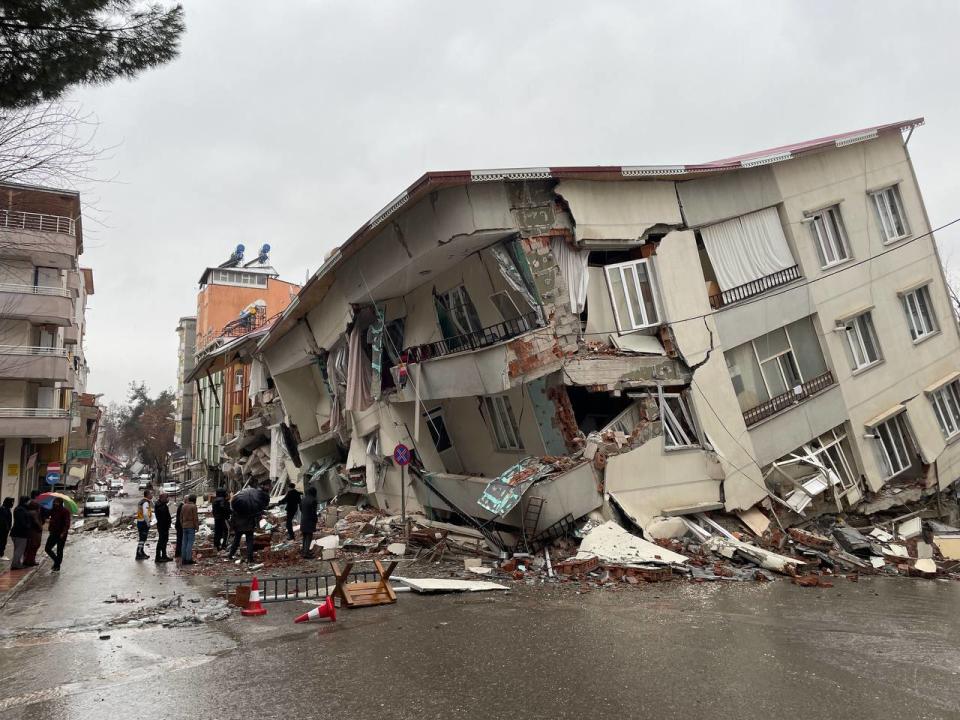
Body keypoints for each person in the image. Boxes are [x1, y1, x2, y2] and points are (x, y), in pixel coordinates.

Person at [228, 480, 271, 563]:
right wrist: (257, 525)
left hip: (239, 527)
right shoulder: (252, 506)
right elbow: (256, 515)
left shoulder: (238, 506)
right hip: (249, 526)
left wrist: (232, 527)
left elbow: (233, 518)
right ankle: (250, 558)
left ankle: (230, 555)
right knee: (249, 542)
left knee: (236, 541)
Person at [44, 497, 71, 571]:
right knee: (47, 548)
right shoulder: (53, 510)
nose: (56, 503)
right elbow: (47, 515)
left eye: (57, 502)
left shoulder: (65, 511)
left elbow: (67, 523)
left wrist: (63, 532)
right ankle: (57, 562)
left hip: (61, 533)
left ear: (61, 503)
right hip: (53, 532)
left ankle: (57, 566)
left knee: (59, 550)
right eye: (55, 502)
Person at [9, 496, 34, 569]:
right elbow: (22, 522)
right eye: (29, 501)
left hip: (17, 533)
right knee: (19, 550)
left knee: (17, 549)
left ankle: (17, 563)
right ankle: (15, 565)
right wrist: (28, 526)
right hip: (20, 533)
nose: (30, 502)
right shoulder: (21, 510)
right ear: (25, 501)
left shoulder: (20, 508)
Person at [22, 492, 43, 567]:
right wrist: (40, 527)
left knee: (29, 547)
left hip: (31, 532)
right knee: (33, 546)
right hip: (34, 532)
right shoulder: (34, 513)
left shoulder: (29, 512)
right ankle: (30, 561)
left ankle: (28, 560)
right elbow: (36, 522)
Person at [299, 487, 318, 559]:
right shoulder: (313, 500)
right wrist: (315, 519)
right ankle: (306, 553)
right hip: (310, 520)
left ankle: (304, 551)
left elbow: (300, 508)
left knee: (304, 536)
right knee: (309, 537)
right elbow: (313, 512)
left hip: (303, 519)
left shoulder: (303, 499)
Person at [180, 494, 199, 565]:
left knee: (184, 543)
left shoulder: (183, 506)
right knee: (190, 543)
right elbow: (195, 518)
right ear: (195, 500)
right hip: (191, 526)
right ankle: (188, 559)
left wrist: (182, 525)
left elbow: (180, 517)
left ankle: (184, 559)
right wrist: (197, 527)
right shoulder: (193, 506)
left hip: (184, 526)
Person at [135, 488, 153, 560]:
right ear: (147, 495)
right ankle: (139, 553)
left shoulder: (141, 501)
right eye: (151, 493)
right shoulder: (146, 502)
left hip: (140, 521)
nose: (152, 495)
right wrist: (148, 523)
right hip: (143, 522)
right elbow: (145, 514)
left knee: (142, 538)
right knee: (142, 539)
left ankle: (141, 552)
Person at [154, 492, 172, 563]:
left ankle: (164, 556)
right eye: (166, 498)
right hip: (162, 526)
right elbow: (163, 515)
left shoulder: (162, 504)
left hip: (165, 526)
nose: (167, 499)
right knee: (161, 541)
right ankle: (158, 557)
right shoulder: (159, 505)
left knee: (164, 541)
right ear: (162, 498)